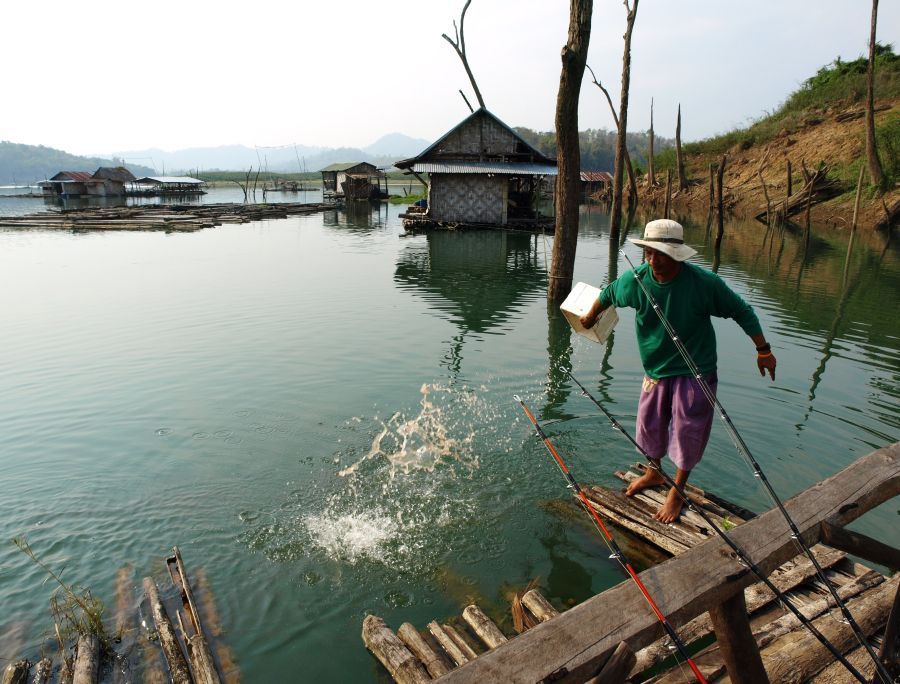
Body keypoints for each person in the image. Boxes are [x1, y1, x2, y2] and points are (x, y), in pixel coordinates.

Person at [580, 219, 777, 523]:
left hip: (694, 369)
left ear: (677, 254)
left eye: (661, 254)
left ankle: (678, 489)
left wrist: (763, 350)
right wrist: (591, 315)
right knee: (649, 425)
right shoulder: (636, 280)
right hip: (656, 369)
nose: (653, 261)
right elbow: (607, 294)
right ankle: (654, 472)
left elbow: (742, 311)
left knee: (688, 430)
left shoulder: (703, 284)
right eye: (648, 253)